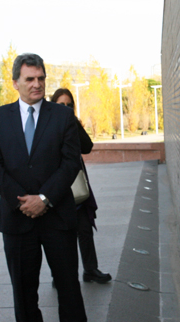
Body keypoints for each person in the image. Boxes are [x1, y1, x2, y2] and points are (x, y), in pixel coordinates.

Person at [0, 54, 88, 322]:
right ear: (15, 82)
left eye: (41, 78)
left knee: (68, 284)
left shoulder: (62, 115)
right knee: (23, 288)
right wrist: (23, 200)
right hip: (18, 220)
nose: (37, 84)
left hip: (57, 216)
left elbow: (71, 162)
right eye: (29, 79)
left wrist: (44, 198)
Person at [51, 88, 111, 284]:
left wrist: (72, 121)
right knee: (61, 236)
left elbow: (87, 146)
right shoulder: (47, 126)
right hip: (57, 188)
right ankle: (59, 275)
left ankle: (90, 270)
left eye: (69, 105)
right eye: (61, 105)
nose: (66, 108)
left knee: (84, 228)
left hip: (77, 185)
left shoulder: (72, 124)